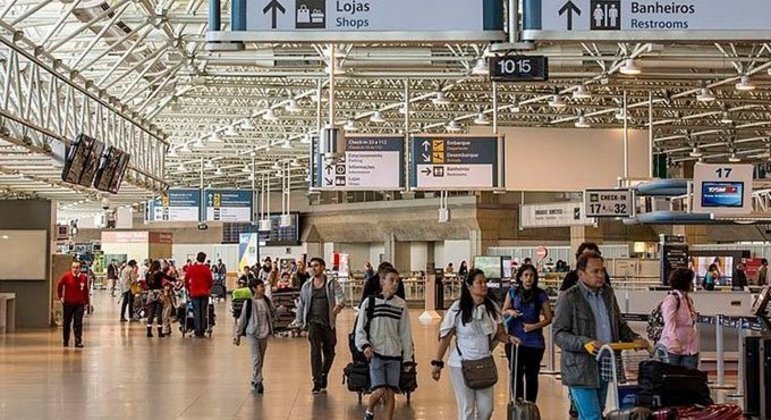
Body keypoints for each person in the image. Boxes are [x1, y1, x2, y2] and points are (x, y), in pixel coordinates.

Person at [553, 251, 648, 420]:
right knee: (593, 416)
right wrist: (584, 343)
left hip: (606, 363)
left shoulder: (608, 295)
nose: (600, 275)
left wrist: (634, 338)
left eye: (602, 271)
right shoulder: (569, 298)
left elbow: (619, 325)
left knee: (594, 414)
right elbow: (559, 334)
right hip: (580, 368)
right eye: (595, 271)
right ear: (581, 274)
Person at [431, 268, 520, 420]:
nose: (484, 285)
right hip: (461, 364)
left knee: (487, 409)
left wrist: (509, 338)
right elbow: (446, 337)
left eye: (485, 282)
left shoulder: (492, 308)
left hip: (484, 363)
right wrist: (437, 363)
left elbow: (499, 333)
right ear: (469, 286)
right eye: (479, 282)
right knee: (467, 409)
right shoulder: (458, 308)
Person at [356, 267, 414, 420]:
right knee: (380, 389)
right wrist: (364, 345)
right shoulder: (370, 302)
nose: (395, 284)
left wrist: (408, 357)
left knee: (390, 392)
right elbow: (360, 328)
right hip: (376, 354)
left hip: (394, 354)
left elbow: (405, 333)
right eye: (391, 280)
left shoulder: (401, 305)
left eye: (397, 281)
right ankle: (369, 409)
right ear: (382, 281)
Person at [501, 264, 553, 403]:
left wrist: (534, 326)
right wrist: (510, 312)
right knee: (516, 374)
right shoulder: (513, 292)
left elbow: (548, 318)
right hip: (515, 340)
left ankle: (530, 405)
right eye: (526, 275)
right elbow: (503, 311)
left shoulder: (540, 295)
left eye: (531, 275)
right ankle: (518, 404)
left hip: (534, 342)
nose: (529, 278)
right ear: (520, 277)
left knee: (531, 376)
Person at [294, 257, 346, 394]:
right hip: (313, 322)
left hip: (328, 322)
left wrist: (339, 305)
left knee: (330, 352)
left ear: (323, 267)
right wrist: (299, 322)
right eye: (311, 266)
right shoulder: (307, 285)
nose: (313, 268)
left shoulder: (331, 283)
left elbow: (341, 296)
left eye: (316, 266)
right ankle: (316, 381)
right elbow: (301, 304)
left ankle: (323, 373)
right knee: (315, 351)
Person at [234, 279, 276, 394]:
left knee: (260, 359)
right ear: (254, 289)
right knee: (256, 358)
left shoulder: (266, 300)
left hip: (264, 333)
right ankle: (259, 381)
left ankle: (254, 378)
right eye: (260, 286)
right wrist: (237, 335)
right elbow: (242, 319)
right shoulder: (248, 302)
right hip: (252, 333)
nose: (262, 289)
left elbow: (273, 313)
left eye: (263, 286)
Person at [659, 268, 699, 369]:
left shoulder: (688, 299)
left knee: (689, 379)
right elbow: (669, 322)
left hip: (690, 348)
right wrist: (674, 340)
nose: (692, 284)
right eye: (691, 281)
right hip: (672, 348)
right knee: (672, 379)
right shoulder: (672, 299)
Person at [57, 261, 90, 348]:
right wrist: (61, 297)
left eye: (77, 267)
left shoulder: (83, 277)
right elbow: (59, 285)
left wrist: (87, 303)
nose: (75, 269)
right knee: (67, 322)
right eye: (73, 267)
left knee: (78, 323)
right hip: (68, 303)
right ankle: (66, 340)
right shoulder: (66, 276)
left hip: (79, 303)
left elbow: (85, 290)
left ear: (80, 268)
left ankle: (78, 341)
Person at [185, 252, 214, 338]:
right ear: (204, 259)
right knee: (203, 312)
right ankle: (202, 330)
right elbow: (210, 281)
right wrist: (208, 288)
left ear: (197, 258)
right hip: (204, 293)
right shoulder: (206, 269)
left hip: (194, 293)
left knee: (196, 312)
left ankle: (197, 331)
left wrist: (188, 289)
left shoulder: (191, 268)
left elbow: (186, 280)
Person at [146, 260, 175, 337]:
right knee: (159, 313)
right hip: (159, 294)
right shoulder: (160, 273)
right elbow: (169, 278)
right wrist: (177, 279)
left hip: (151, 294)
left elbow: (147, 284)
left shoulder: (148, 274)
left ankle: (149, 331)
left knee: (151, 313)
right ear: (158, 266)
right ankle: (159, 332)